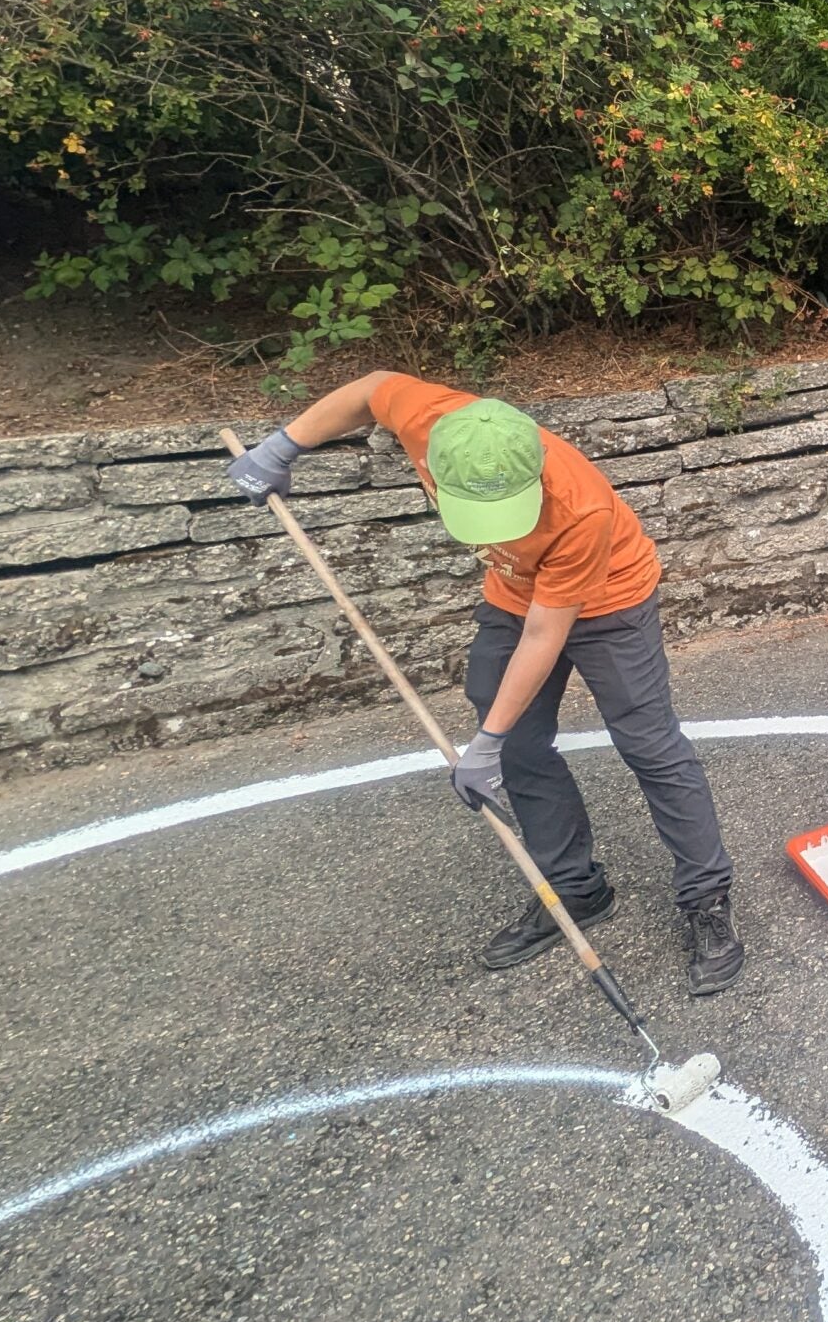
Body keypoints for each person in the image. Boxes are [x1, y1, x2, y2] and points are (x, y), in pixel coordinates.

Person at [225, 372, 745, 995]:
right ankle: (575, 890)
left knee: (648, 743)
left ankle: (706, 897)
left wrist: (486, 741)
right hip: (513, 597)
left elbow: (545, 635)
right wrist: (283, 446)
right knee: (520, 742)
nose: (498, 530)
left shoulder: (580, 507)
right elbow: (372, 389)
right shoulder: (431, 420)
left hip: (610, 602)